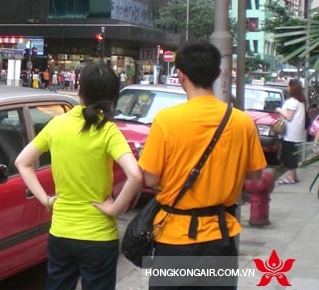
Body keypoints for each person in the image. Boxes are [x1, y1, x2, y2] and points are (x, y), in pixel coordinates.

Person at [137, 41, 266, 289]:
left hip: (173, 239)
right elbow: (255, 174)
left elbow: (150, 179)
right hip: (220, 238)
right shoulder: (241, 122)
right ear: (217, 74)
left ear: (181, 75)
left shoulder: (166, 120)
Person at [15, 63, 143, 290]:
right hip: (99, 236)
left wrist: (45, 199)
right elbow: (135, 175)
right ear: (113, 96)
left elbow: (22, 162)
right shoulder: (108, 131)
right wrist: (114, 209)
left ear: (79, 89)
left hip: (61, 232)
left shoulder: (57, 125)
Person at [276, 78, 306, 185]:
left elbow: (289, 116)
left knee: (289, 155)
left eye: (288, 86)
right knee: (292, 154)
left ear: (292, 88)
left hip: (290, 133)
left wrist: (279, 110)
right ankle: (294, 176)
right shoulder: (301, 101)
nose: (287, 88)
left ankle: (291, 178)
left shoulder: (292, 102)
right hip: (297, 133)